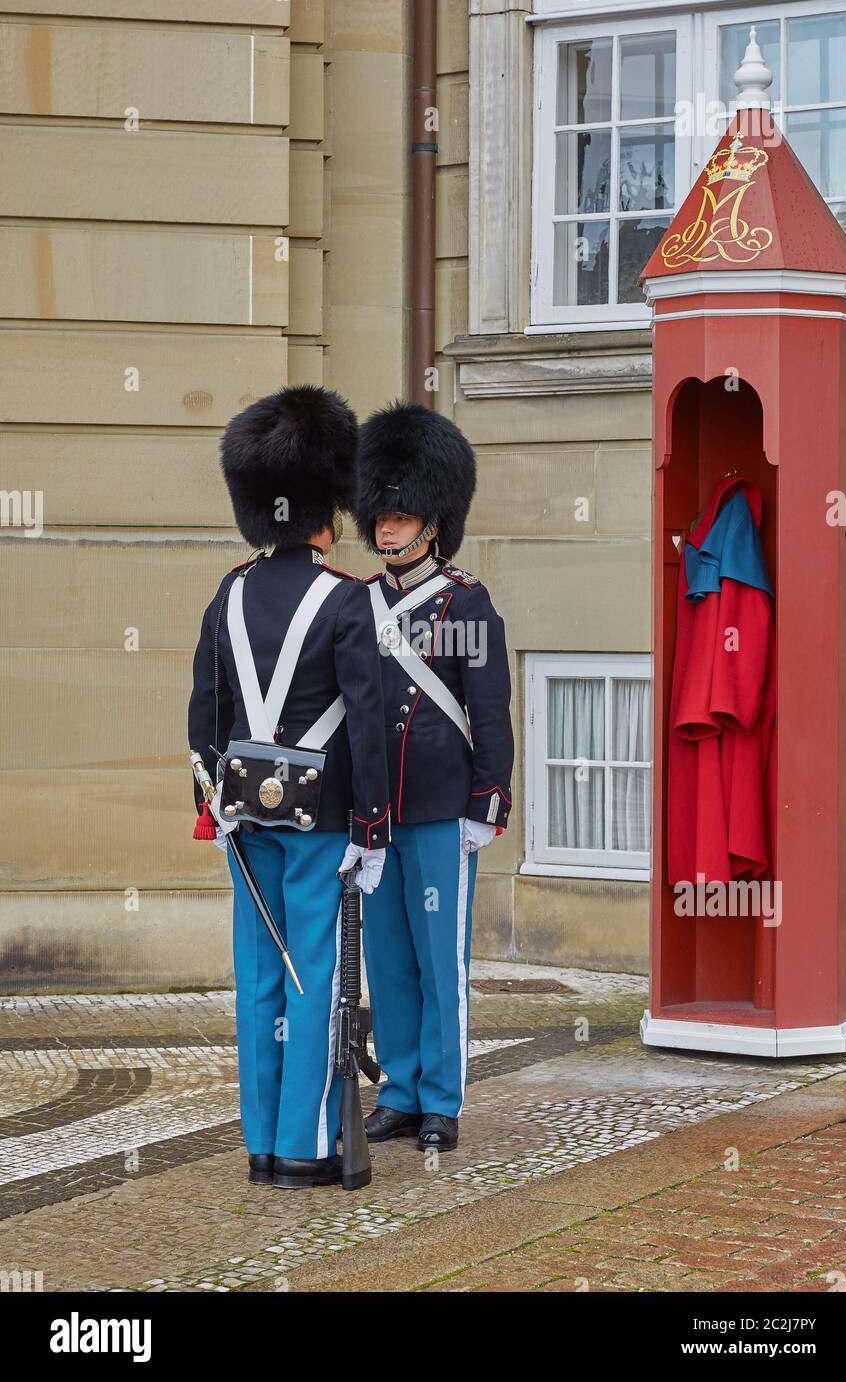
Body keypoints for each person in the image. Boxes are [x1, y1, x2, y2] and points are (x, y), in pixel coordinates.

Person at [188, 385, 390, 1189]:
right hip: (323, 819)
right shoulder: (347, 600)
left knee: (260, 978)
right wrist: (372, 827)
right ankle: (306, 1149)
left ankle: (261, 1145)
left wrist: (212, 805)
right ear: (324, 512)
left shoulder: (226, 594)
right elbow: (366, 725)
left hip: (241, 812)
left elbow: (205, 711)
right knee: (314, 978)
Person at [353, 402, 514, 1152]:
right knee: (387, 961)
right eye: (380, 515)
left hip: (442, 810)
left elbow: (490, 711)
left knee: (440, 962)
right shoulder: (359, 605)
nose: (387, 528)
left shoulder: (464, 602)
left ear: (433, 521)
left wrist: (489, 798)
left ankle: (443, 1099)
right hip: (377, 814)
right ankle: (401, 1089)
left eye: (402, 514)